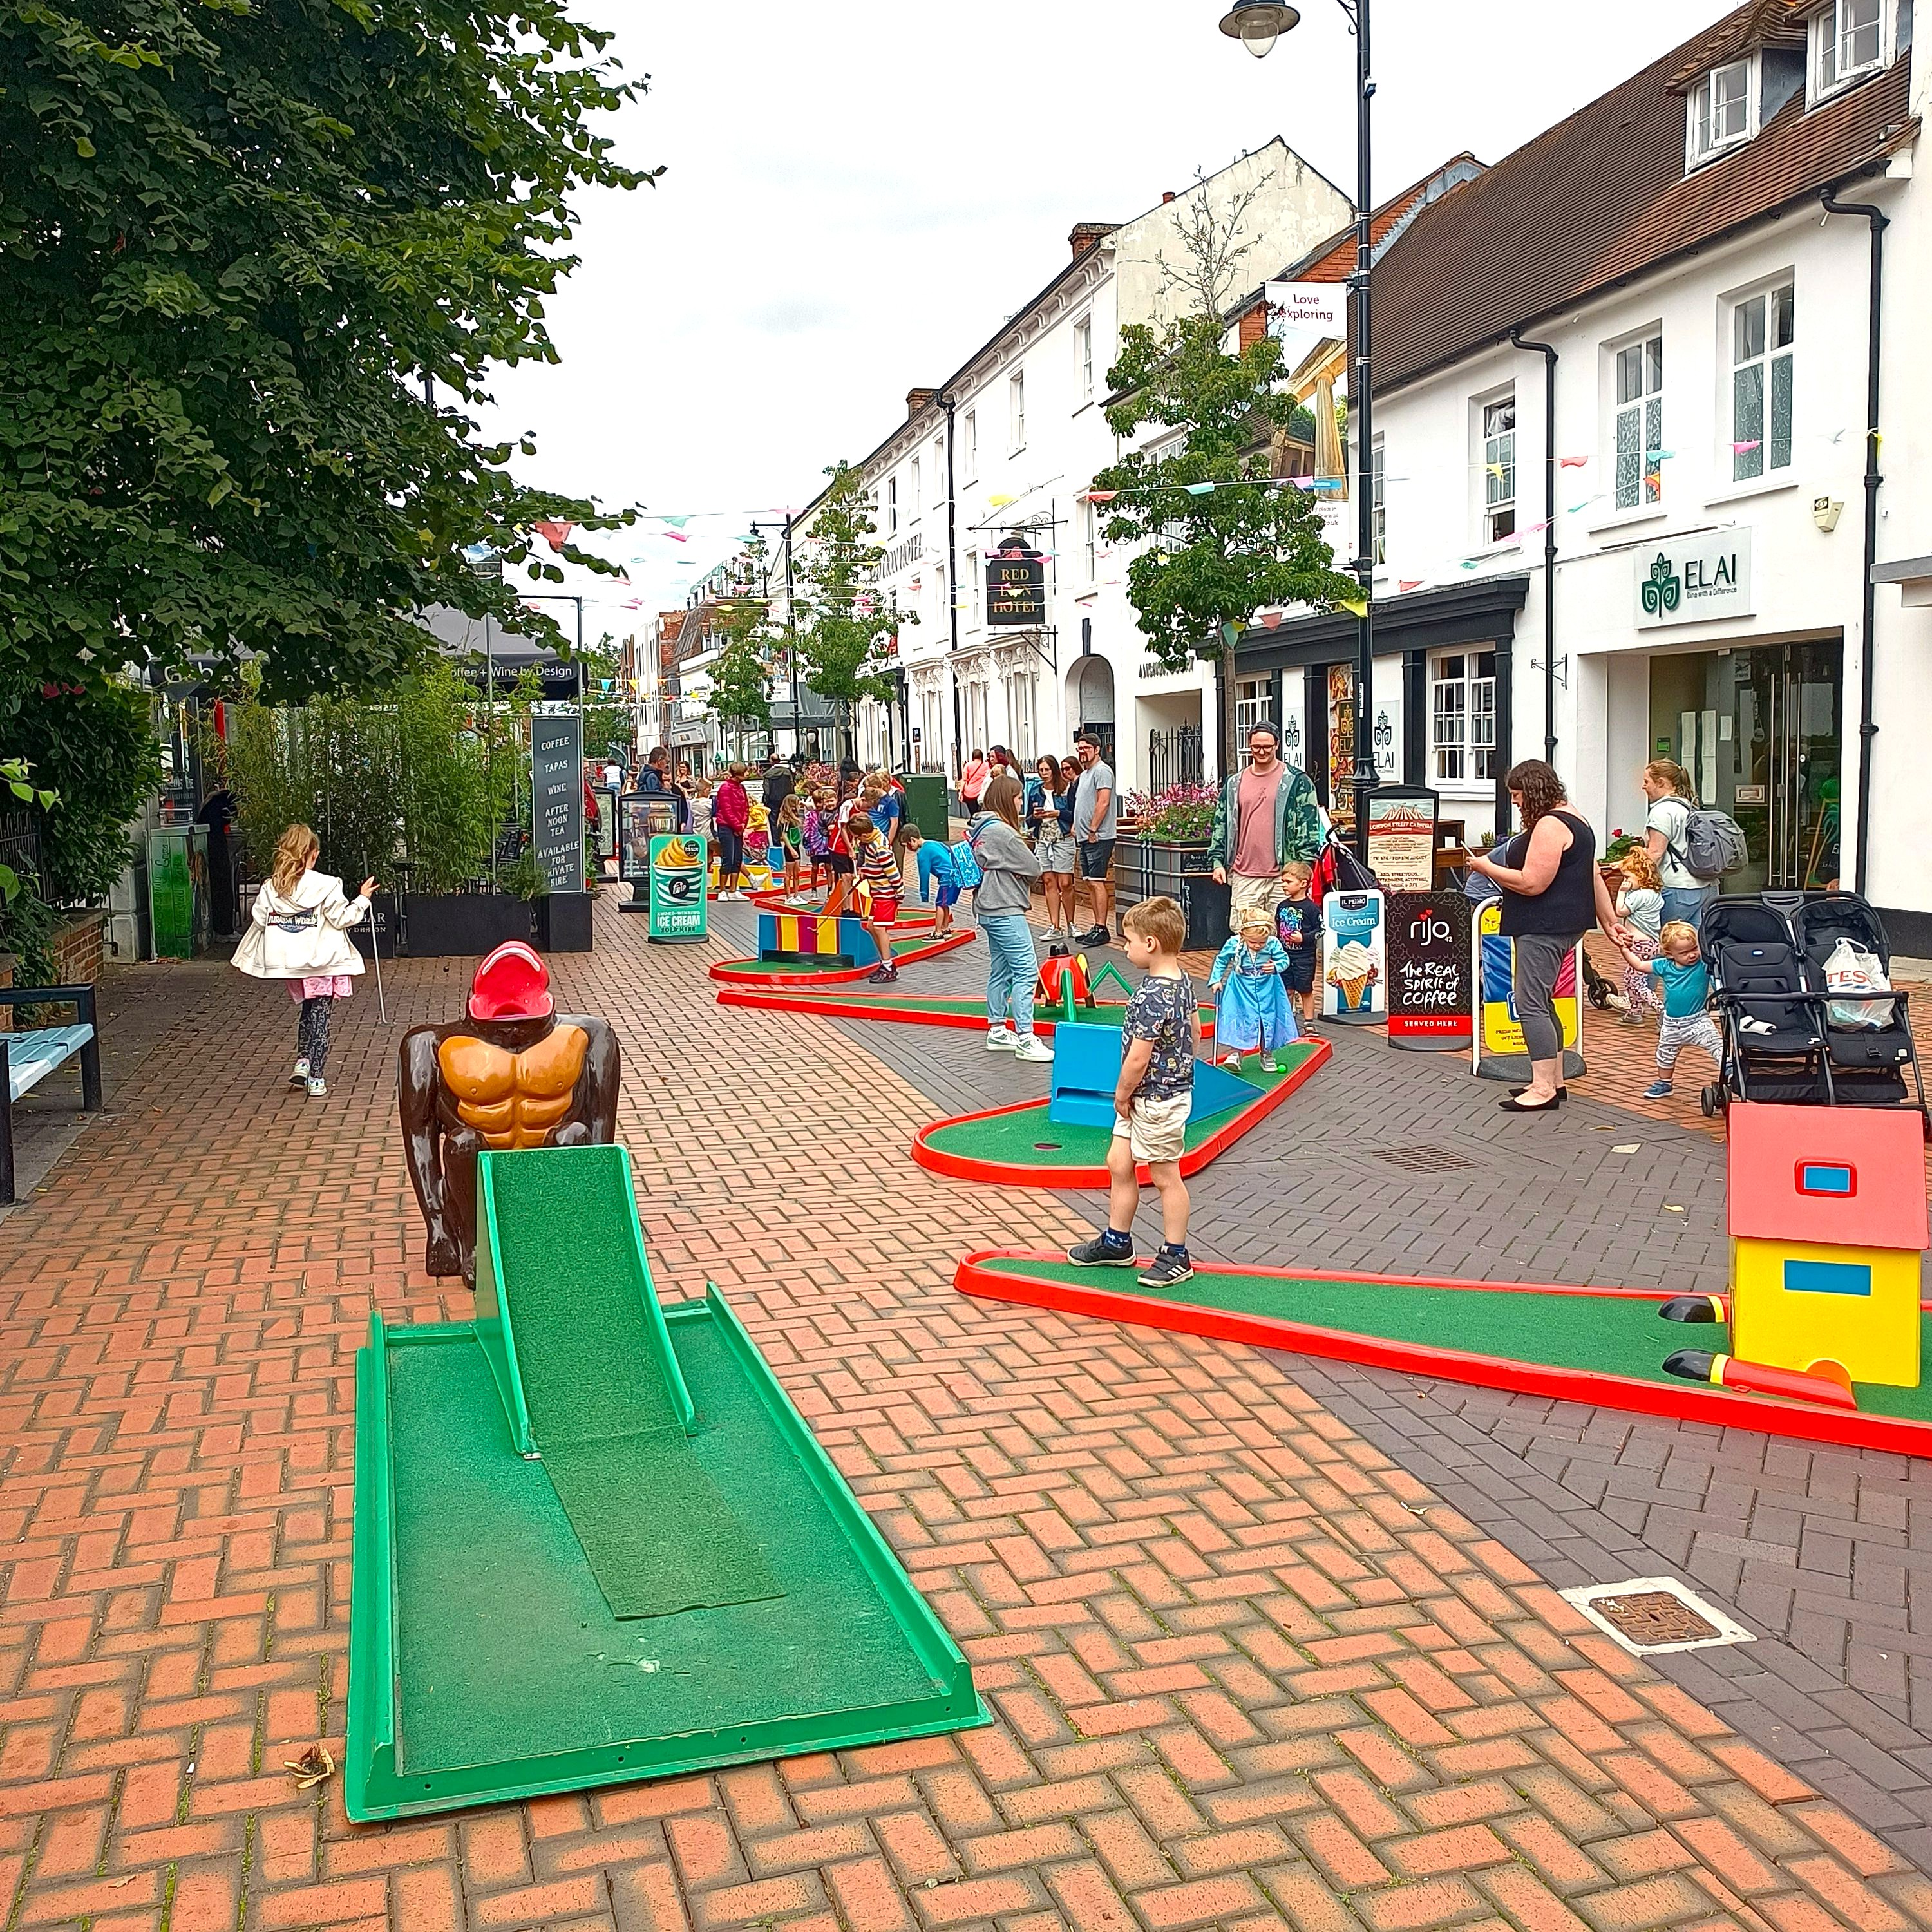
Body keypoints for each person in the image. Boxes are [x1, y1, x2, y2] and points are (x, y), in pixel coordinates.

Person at [1464, 759, 1621, 1113]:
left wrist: (1486, 867)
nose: (1516, 803)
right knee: (1543, 999)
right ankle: (1556, 1079)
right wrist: (1609, 920)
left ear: (1533, 791)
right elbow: (1593, 874)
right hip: (1564, 923)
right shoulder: (1574, 815)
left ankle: (1542, 1087)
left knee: (1530, 1002)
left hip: (1543, 925)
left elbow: (1532, 883)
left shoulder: (1550, 825)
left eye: (1518, 795)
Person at [1065, 896, 1196, 1289]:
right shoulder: (1182, 980)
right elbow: (1196, 1029)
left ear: (1151, 943)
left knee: (1164, 1174)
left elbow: (1139, 1057)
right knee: (1119, 1162)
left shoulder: (1154, 994)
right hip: (1151, 1095)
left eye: (1129, 941)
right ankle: (1117, 1241)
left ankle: (1177, 1253)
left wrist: (1122, 1094)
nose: (1125, 948)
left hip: (1155, 1097)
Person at [231, 824, 375, 1099]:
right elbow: (343, 919)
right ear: (313, 854)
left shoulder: (272, 887)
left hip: (291, 963)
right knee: (321, 1016)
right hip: (323, 961)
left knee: (308, 1011)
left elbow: (260, 919)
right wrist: (363, 899)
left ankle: (303, 1061)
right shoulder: (327, 884)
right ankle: (317, 1078)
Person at [1208, 722, 1323, 934]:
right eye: (1256, 747)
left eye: (1267, 747)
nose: (1261, 751)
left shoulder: (1297, 782)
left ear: (1277, 745)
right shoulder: (1235, 783)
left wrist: (1303, 869)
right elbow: (1221, 824)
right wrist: (1217, 861)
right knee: (1245, 936)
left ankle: (1281, 969)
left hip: (1285, 875)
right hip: (1245, 873)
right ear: (1249, 745)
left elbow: (1309, 828)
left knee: (1286, 935)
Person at [970, 773, 1050, 1063]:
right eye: (1018, 798)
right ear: (1007, 799)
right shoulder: (1004, 832)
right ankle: (1026, 1036)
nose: (1021, 803)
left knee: (1001, 968)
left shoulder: (981, 828)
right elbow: (1034, 867)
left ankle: (997, 1029)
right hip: (1006, 906)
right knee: (1026, 971)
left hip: (988, 906)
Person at [1622, 920, 1723, 1100]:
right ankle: (1665, 1083)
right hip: (1671, 1023)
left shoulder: (1703, 965)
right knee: (1665, 1053)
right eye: (1684, 953)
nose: (1692, 955)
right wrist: (1625, 950)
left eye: (1694, 949)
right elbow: (1639, 965)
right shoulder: (1665, 966)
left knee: (1716, 1044)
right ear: (1670, 954)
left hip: (1698, 1020)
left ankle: (1729, 1067)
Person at [1208, 913, 1299, 1072]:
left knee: (1267, 1019)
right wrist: (1216, 980)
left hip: (1268, 987)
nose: (1258, 946)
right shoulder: (1234, 943)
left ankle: (1267, 1054)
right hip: (1240, 987)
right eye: (1253, 942)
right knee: (1240, 1017)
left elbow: (1284, 959)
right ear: (1243, 935)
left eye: (1262, 943)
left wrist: (1276, 966)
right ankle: (1237, 1054)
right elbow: (1222, 960)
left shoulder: (1272, 943)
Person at [1642, 759, 1714, 932]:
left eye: (1647, 782)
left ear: (1661, 783)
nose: (1643, 787)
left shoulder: (1662, 811)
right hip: (1706, 887)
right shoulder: (1691, 806)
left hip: (1677, 889)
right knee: (1695, 947)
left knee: (1668, 946)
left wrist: (1638, 882)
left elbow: (1656, 853)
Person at [846, 814, 905, 983]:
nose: (856, 841)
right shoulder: (875, 837)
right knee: (871, 926)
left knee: (879, 928)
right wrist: (866, 871)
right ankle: (885, 962)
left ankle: (888, 968)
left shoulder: (878, 848)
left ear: (864, 835)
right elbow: (875, 866)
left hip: (886, 892)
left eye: (857, 838)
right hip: (878, 891)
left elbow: (891, 871)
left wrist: (899, 891)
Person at [1071, 734, 1117, 946]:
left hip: (1099, 836)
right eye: (1079, 748)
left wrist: (1093, 828)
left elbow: (1104, 802)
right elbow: (1083, 802)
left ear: (1097, 750)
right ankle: (1097, 926)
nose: (1082, 752)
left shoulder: (1102, 771)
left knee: (1098, 882)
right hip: (1085, 836)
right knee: (1089, 882)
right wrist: (1076, 825)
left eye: (1086, 748)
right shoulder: (1085, 774)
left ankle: (1102, 927)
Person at [1026, 755, 1077, 941]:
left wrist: (1058, 813)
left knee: (1065, 882)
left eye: (1047, 769)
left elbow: (1074, 814)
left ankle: (1072, 923)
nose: (1044, 773)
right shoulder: (1035, 791)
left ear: (1054, 770)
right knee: (1049, 881)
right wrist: (1035, 816)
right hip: (1043, 839)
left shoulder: (1066, 789)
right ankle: (1055, 925)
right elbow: (1028, 820)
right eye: (1041, 770)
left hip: (1062, 838)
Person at [1615, 847, 1665, 1022]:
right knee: (1632, 978)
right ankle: (1635, 1012)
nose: (1626, 881)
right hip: (1650, 943)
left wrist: (1621, 892)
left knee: (1636, 982)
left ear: (1641, 876)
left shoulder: (1639, 896)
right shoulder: (1654, 894)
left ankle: (1661, 1010)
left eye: (1628, 877)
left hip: (1638, 944)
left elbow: (1621, 911)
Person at [1274, 860, 1324, 1027]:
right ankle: (1287, 1022)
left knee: (1305, 990)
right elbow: (1278, 927)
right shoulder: (1282, 906)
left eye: (1288, 882)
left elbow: (1321, 929)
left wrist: (1305, 938)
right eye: (1283, 882)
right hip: (1284, 956)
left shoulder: (1311, 908)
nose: (1284, 885)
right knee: (1287, 989)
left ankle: (1309, 1022)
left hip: (1304, 957)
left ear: (1303, 884)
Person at [907, 827, 961, 940]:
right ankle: (945, 928)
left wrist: (924, 894)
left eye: (908, 844)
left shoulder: (923, 853)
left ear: (913, 840)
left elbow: (924, 874)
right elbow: (950, 852)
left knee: (940, 904)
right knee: (945, 903)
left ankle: (938, 932)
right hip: (956, 876)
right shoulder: (935, 843)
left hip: (947, 878)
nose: (908, 848)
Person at [714, 762, 750, 899]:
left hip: (738, 827)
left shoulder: (742, 788)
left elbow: (746, 807)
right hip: (726, 826)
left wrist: (742, 825)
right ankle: (723, 890)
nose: (747, 775)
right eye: (745, 772)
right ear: (739, 774)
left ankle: (734, 890)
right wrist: (737, 826)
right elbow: (727, 810)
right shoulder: (725, 788)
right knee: (728, 858)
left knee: (737, 858)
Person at [775, 791, 808, 898]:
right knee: (789, 874)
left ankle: (797, 894)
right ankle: (789, 896)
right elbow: (784, 836)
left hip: (796, 845)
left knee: (797, 873)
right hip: (790, 847)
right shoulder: (786, 818)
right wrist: (791, 850)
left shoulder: (796, 815)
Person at [762, 754, 795, 824]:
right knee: (787, 819)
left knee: (774, 822)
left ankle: (776, 835)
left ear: (771, 761)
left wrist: (766, 800)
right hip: (786, 799)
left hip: (773, 800)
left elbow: (767, 790)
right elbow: (792, 785)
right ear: (779, 761)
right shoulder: (787, 772)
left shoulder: (767, 774)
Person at [959, 747, 990, 812]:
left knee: (972, 812)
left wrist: (960, 792)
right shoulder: (986, 765)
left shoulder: (968, 765)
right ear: (982, 756)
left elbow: (964, 780)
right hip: (980, 792)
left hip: (969, 793)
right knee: (980, 812)